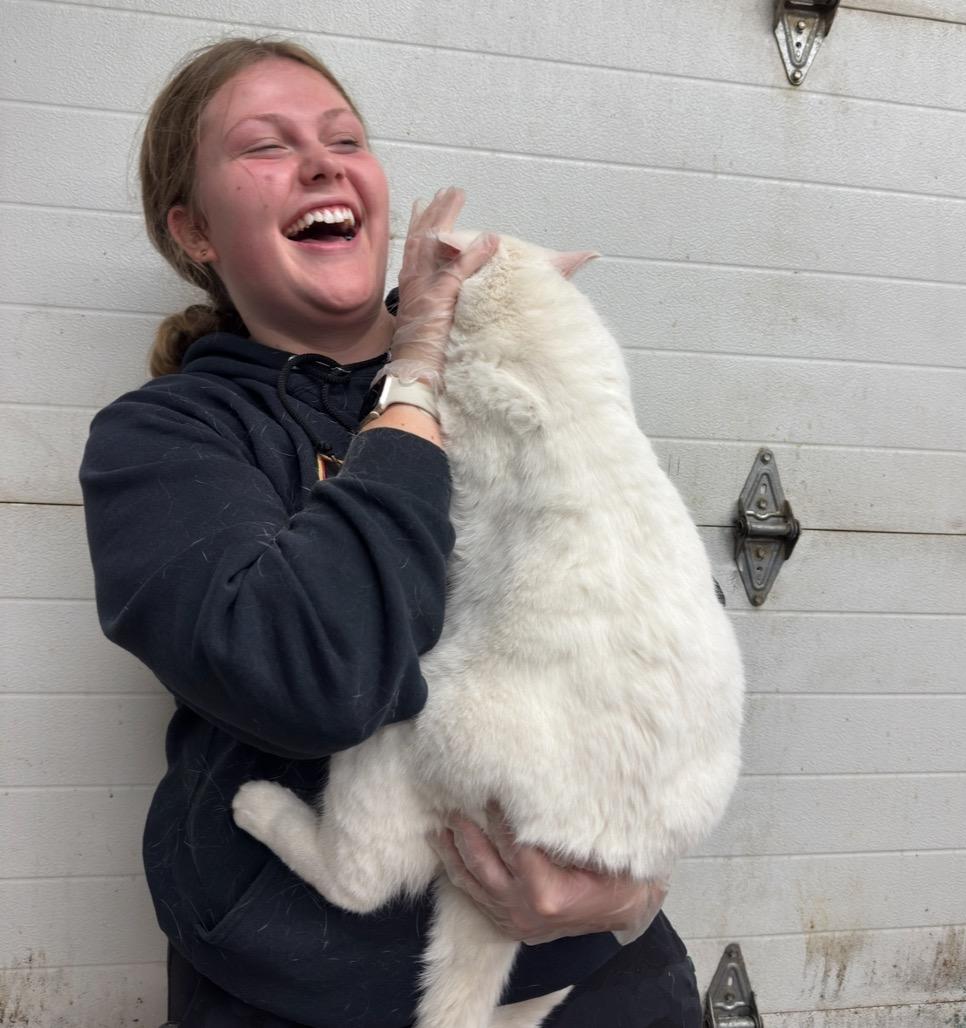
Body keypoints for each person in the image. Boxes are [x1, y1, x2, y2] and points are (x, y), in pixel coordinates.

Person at [79, 38, 703, 1028]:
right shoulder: (162, 440)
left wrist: (632, 887)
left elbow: (665, 630)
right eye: (265, 147)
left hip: (592, 980)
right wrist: (412, 379)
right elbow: (318, 674)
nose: (321, 162)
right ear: (193, 230)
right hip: (302, 992)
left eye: (343, 138)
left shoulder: (510, 358)